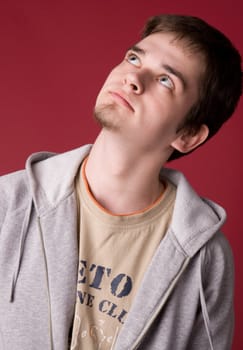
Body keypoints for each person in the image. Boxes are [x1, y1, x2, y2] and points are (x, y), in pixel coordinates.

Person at [0, 14, 242, 350]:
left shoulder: (204, 257)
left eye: (165, 80)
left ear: (188, 135)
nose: (133, 77)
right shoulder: (9, 203)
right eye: (134, 58)